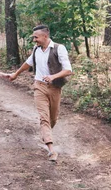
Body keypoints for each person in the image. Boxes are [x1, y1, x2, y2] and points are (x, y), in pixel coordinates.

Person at [9, 25, 72, 162]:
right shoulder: (36, 49)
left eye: (36, 37)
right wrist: (16, 74)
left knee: (52, 119)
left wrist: (53, 77)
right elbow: (28, 63)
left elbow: (68, 70)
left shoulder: (59, 48)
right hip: (39, 87)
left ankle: (46, 134)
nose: (34, 40)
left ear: (45, 36)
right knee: (44, 118)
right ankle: (51, 150)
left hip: (55, 87)